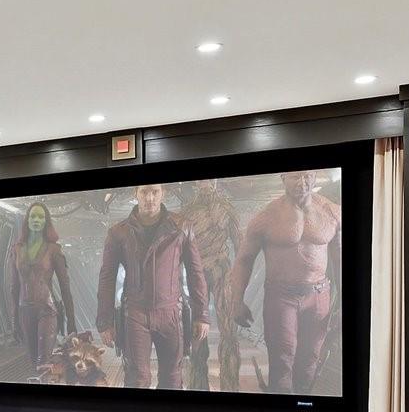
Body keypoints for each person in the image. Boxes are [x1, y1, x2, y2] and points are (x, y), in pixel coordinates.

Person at [226, 169, 342, 394]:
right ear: (283, 179)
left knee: (310, 360)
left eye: (308, 176)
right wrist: (237, 301)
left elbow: (340, 259)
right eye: (295, 176)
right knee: (282, 358)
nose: (303, 182)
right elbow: (243, 261)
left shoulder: (331, 212)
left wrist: (345, 304)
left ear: (315, 176)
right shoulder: (266, 217)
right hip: (281, 297)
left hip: (319, 295)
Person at [96, 182, 209, 389]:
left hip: (171, 313)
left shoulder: (182, 227)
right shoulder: (118, 233)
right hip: (136, 314)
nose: (150, 198)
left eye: (155, 192)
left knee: (173, 379)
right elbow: (107, 277)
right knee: (137, 379)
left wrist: (202, 315)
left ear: (162, 193)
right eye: (144, 191)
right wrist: (105, 322)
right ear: (135, 193)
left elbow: (196, 273)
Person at [175, 177, 241, 390]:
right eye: (202, 181)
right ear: (195, 184)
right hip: (197, 274)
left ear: (215, 183)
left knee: (229, 331)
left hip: (222, 271)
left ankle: (230, 388)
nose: (205, 185)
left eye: (209, 180)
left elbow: (240, 246)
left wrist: (240, 281)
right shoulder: (187, 213)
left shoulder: (226, 210)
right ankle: (197, 386)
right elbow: (177, 249)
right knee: (197, 332)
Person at [7, 201, 76, 374]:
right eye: (33, 216)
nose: (36, 220)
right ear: (27, 220)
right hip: (25, 312)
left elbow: (65, 287)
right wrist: (14, 321)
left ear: (46, 221)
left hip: (47, 310)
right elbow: (14, 288)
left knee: (42, 363)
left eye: (41, 216)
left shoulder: (54, 250)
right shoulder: (16, 249)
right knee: (33, 364)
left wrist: (71, 322)